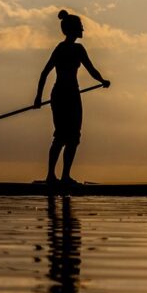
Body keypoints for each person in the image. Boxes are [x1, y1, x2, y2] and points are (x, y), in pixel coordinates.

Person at [34, 10, 110, 185]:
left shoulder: (79, 49)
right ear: (74, 29)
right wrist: (38, 97)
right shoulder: (61, 48)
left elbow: (91, 70)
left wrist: (102, 81)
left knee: (74, 137)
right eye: (81, 27)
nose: (83, 29)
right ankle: (51, 176)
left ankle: (65, 176)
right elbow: (44, 73)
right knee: (61, 136)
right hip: (61, 95)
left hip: (74, 95)